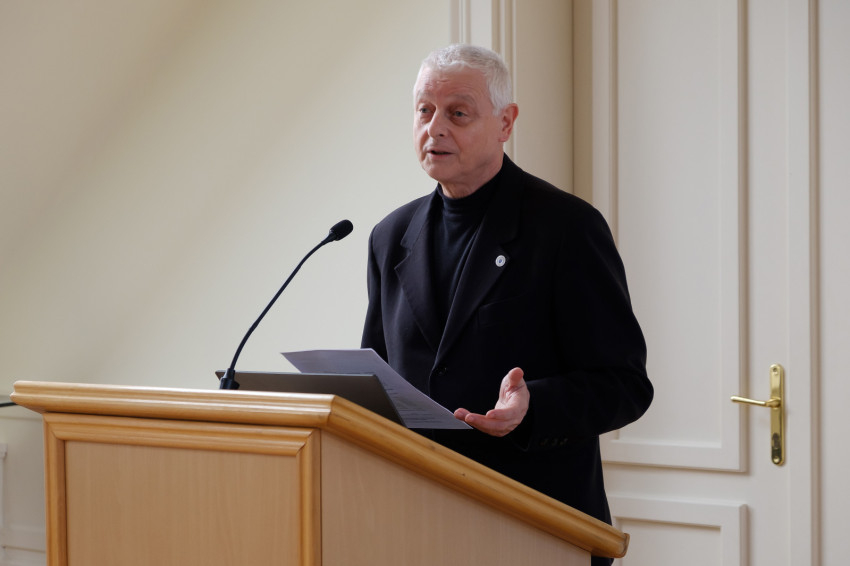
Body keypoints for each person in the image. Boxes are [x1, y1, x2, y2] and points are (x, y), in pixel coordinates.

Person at [361, 44, 653, 566]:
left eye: (458, 113)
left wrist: (533, 406)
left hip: (536, 522)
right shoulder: (391, 236)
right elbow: (378, 377)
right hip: (417, 521)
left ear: (505, 122)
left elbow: (625, 385)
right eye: (424, 110)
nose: (435, 128)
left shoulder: (566, 228)